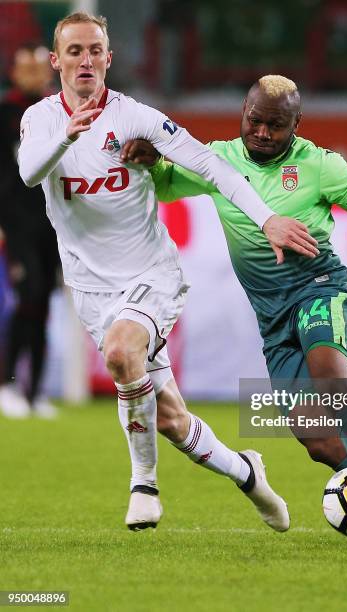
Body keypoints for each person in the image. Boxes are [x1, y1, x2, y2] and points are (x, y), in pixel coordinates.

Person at [125, 75, 347, 551]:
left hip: (321, 291)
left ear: (296, 124)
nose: (263, 133)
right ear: (243, 113)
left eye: (276, 125)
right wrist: (151, 163)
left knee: (333, 382)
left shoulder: (319, 165)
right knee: (318, 441)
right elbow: (168, 186)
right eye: (255, 120)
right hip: (272, 319)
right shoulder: (219, 161)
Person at [17, 13, 321, 532]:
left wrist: (266, 217)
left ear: (108, 59)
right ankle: (248, 472)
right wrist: (67, 136)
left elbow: (211, 165)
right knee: (172, 420)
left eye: (95, 50)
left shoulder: (135, 117)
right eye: (74, 51)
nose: (85, 60)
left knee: (120, 352)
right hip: (91, 288)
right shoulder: (41, 120)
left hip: (150, 275)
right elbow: (29, 173)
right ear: (56, 61)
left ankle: (144, 485)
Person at [0, 44, 60, 419]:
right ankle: (7, 383)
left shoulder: (57, 112)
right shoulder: (5, 112)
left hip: (51, 221)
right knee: (27, 295)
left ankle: (34, 390)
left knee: (43, 303)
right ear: (15, 71)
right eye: (26, 67)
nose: (33, 74)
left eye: (39, 67)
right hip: (15, 220)